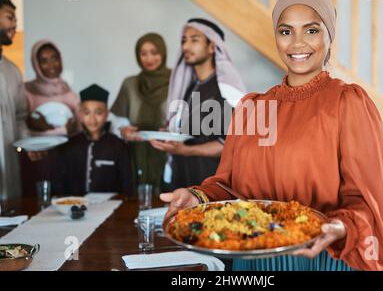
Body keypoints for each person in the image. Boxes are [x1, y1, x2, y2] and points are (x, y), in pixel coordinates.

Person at [160, 0, 383, 271]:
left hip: (319, 259)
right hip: (253, 261)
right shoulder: (253, 108)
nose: (297, 43)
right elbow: (230, 188)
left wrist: (339, 226)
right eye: (285, 31)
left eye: (311, 30)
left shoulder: (348, 103)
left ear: (329, 36)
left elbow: (365, 202)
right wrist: (197, 197)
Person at [149, 18, 246, 191]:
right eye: (184, 41)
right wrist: (168, 134)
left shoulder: (225, 90)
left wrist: (186, 150)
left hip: (212, 188)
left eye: (194, 40)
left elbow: (230, 144)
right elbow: (190, 131)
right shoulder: (190, 87)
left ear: (212, 47)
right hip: (183, 183)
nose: (186, 47)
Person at [111, 33, 170, 194]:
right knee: (138, 201)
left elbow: (187, 117)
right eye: (143, 53)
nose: (149, 58)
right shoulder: (130, 83)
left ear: (163, 53)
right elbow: (118, 120)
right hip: (136, 153)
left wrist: (174, 131)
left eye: (154, 52)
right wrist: (123, 130)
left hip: (169, 153)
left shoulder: (177, 80)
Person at [53, 84, 133, 197]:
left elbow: (127, 186)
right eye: (87, 113)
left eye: (98, 113)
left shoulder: (118, 146)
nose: (92, 119)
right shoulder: (68, 145)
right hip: (73, 208)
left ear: (107, 114)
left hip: (110, 208)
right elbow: (59, 185)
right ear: (80, 114)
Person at [0, 0, 28, 200]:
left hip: (8, 159)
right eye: (10, 17)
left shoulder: (13, 71)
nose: (15, 24)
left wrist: (27, 144)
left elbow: (20, 116)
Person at [25, 40, 80, 136]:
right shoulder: (26, 92)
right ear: (36, 65)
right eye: (44, 61)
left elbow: (81, 126)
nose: (51, 65)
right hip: (38, 149)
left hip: (67, 148)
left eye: (54, 59)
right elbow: (21, 130)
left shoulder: (67, 91)